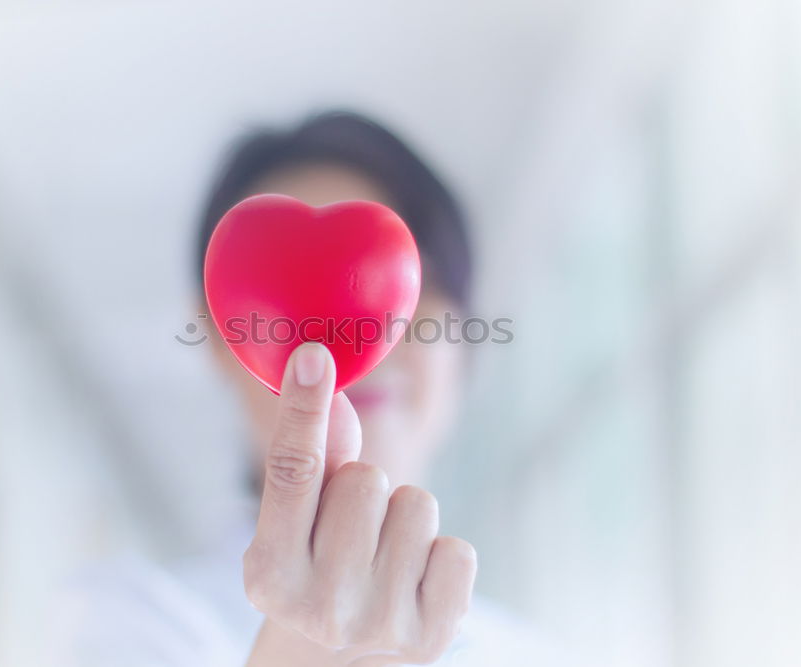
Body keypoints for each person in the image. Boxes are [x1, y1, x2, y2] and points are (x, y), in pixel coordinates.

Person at [54, 111, 562, 666]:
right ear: (219, 339)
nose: (350, 337)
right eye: (288, 293)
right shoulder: (126, 627)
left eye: (409, 284)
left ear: (464, 338)